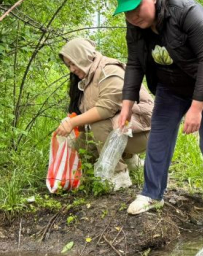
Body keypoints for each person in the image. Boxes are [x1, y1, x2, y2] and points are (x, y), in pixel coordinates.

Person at [112, 0, 203, 214]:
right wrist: (127, 104)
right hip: (172, 85)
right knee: (159, 136)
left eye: (137, 8)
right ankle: (151, 193)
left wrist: (197, 108)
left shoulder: (186, 12)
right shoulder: (135, 25)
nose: (133, 16)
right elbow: (135, 63)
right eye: (127, 12)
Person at [55, 38, 154, 190]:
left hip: (145, 132)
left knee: (99, 123)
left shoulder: (109, 70)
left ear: (83, 56)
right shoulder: (88, 78)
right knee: (79, 145)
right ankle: (129, 161)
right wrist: (73, 122)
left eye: (73, 63)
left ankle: (118, 175)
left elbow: (105, 109)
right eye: (69, 65)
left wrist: (72, 123)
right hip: (126, 131)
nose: (71, 69)